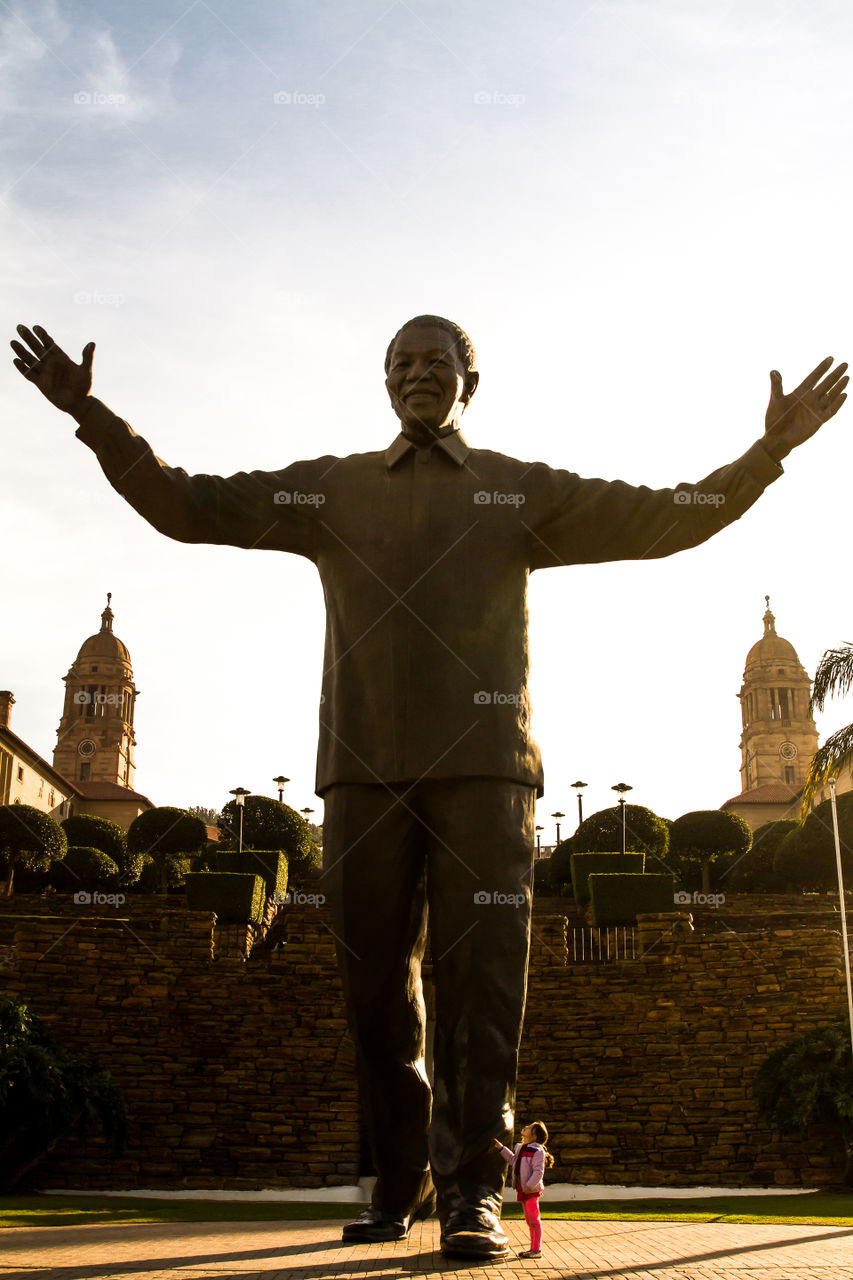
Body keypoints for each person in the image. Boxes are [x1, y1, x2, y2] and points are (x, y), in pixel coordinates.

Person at [9, 317, 847, 1260]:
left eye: (436, 363)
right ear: (383, 382)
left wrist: (766, 452)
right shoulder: (331, 490)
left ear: (468, 384)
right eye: (401, 363)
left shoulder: (518, 491)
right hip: (362, 770)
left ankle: (471, 1192)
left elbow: (665, 515)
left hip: (486, 769)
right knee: (375, 993)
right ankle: (396, 1182)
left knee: (483, 984)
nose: (418, 376)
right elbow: (184, 502)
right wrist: (93, 417)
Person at [495, 1121, 554, 1258]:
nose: (525, 1128)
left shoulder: (537, 1150)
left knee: (534, 1220)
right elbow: (513, 1160)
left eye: (529, 1128)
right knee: (529, 1220)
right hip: (524, 1190)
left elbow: (538, 1171)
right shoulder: (522, 1148)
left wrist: (529, 1186)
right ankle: (533, 1248)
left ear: (534, 1135)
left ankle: (536, 1249)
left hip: (531, 1191)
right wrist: (501, 1148)